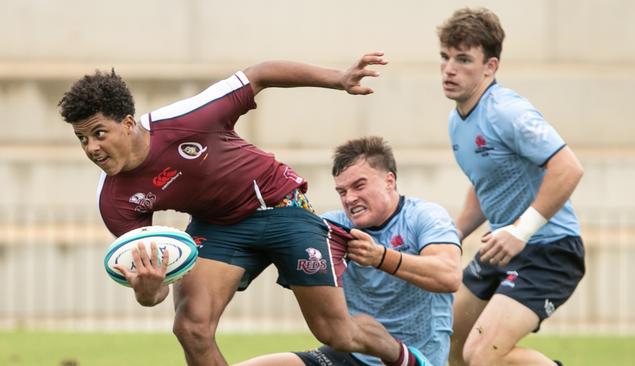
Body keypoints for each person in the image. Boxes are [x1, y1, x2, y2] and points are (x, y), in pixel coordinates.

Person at [58, 53, 432, 366]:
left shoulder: (185, 119)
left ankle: (407, 360)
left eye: (98, 133)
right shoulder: (114, 201)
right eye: (81, 139)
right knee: (190, 327)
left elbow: (259, 75)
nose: (91, 148)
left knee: (336, 332)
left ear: (127, 124)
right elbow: (153, 290)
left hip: (282, 206)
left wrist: (339, 78)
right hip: (219, 227)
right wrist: (146, 290)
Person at [437, 8, 586, 366]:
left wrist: (522, 230)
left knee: (482, 355)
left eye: (463, 59)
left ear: (490, 66)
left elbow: (568, 168)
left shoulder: (507, 112)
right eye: (444, 57)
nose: (449, 69)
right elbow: (485, 183)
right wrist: (452, 235)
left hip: (549, 252)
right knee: (446, 342)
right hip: (501, 248)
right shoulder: (457, 121)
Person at [235, 136, 462, 366]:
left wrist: (380, 257)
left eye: (359, 186)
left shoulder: (424, 216)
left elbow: (449, 276)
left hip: (416, 360)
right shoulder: (334, 226)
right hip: (349, 356)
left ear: (389, 181)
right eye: (342, 191)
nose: (350, 198)